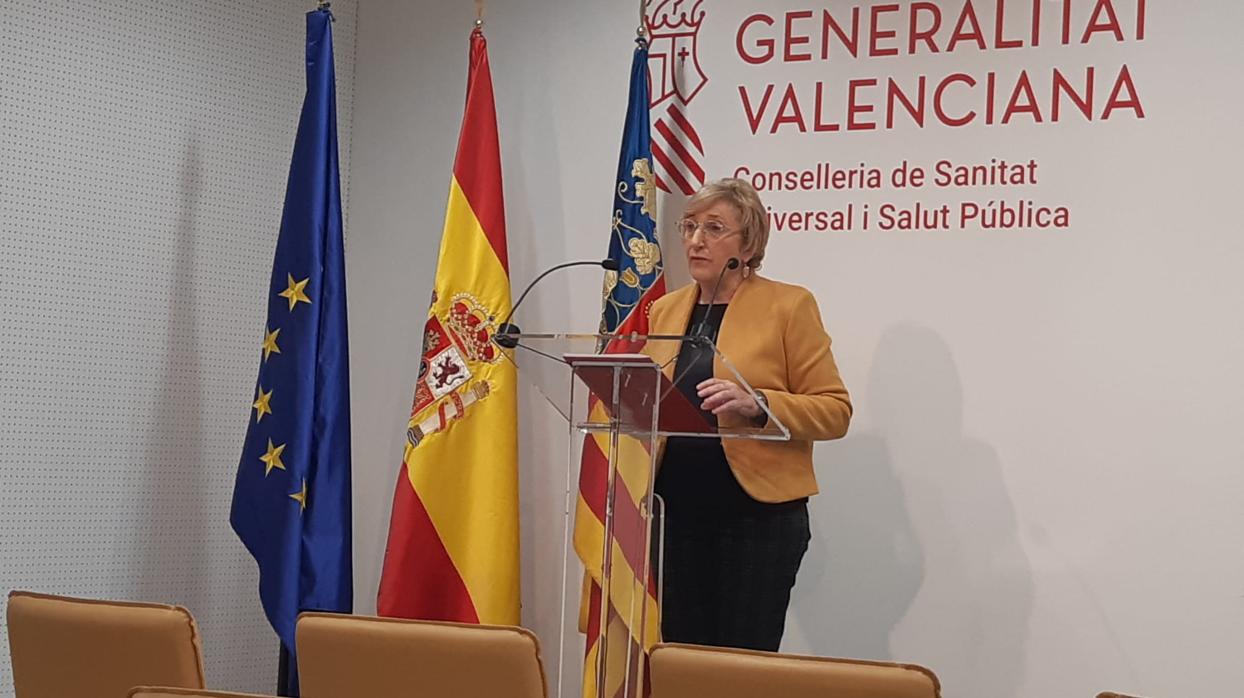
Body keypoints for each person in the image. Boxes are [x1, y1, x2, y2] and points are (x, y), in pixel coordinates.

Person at [646, 177, 852, 652]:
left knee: (742, 664)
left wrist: (759, 405)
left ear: (749, 242)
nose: (695, 240)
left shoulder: (788, 305)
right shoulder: (665, 309)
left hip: (755, 517)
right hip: (672, 514)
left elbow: (835, 411)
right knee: (683, 661)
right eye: (690, 226)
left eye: (714, 228)